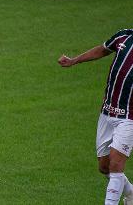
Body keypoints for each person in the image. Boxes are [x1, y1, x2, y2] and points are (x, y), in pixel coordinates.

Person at [59, 29, 133, 205]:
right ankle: (131, 192)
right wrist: (74, 60)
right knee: (104, 167)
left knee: (116, 165)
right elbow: (102, 49)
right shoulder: (124, 36)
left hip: (129, 117)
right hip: (107, 112)